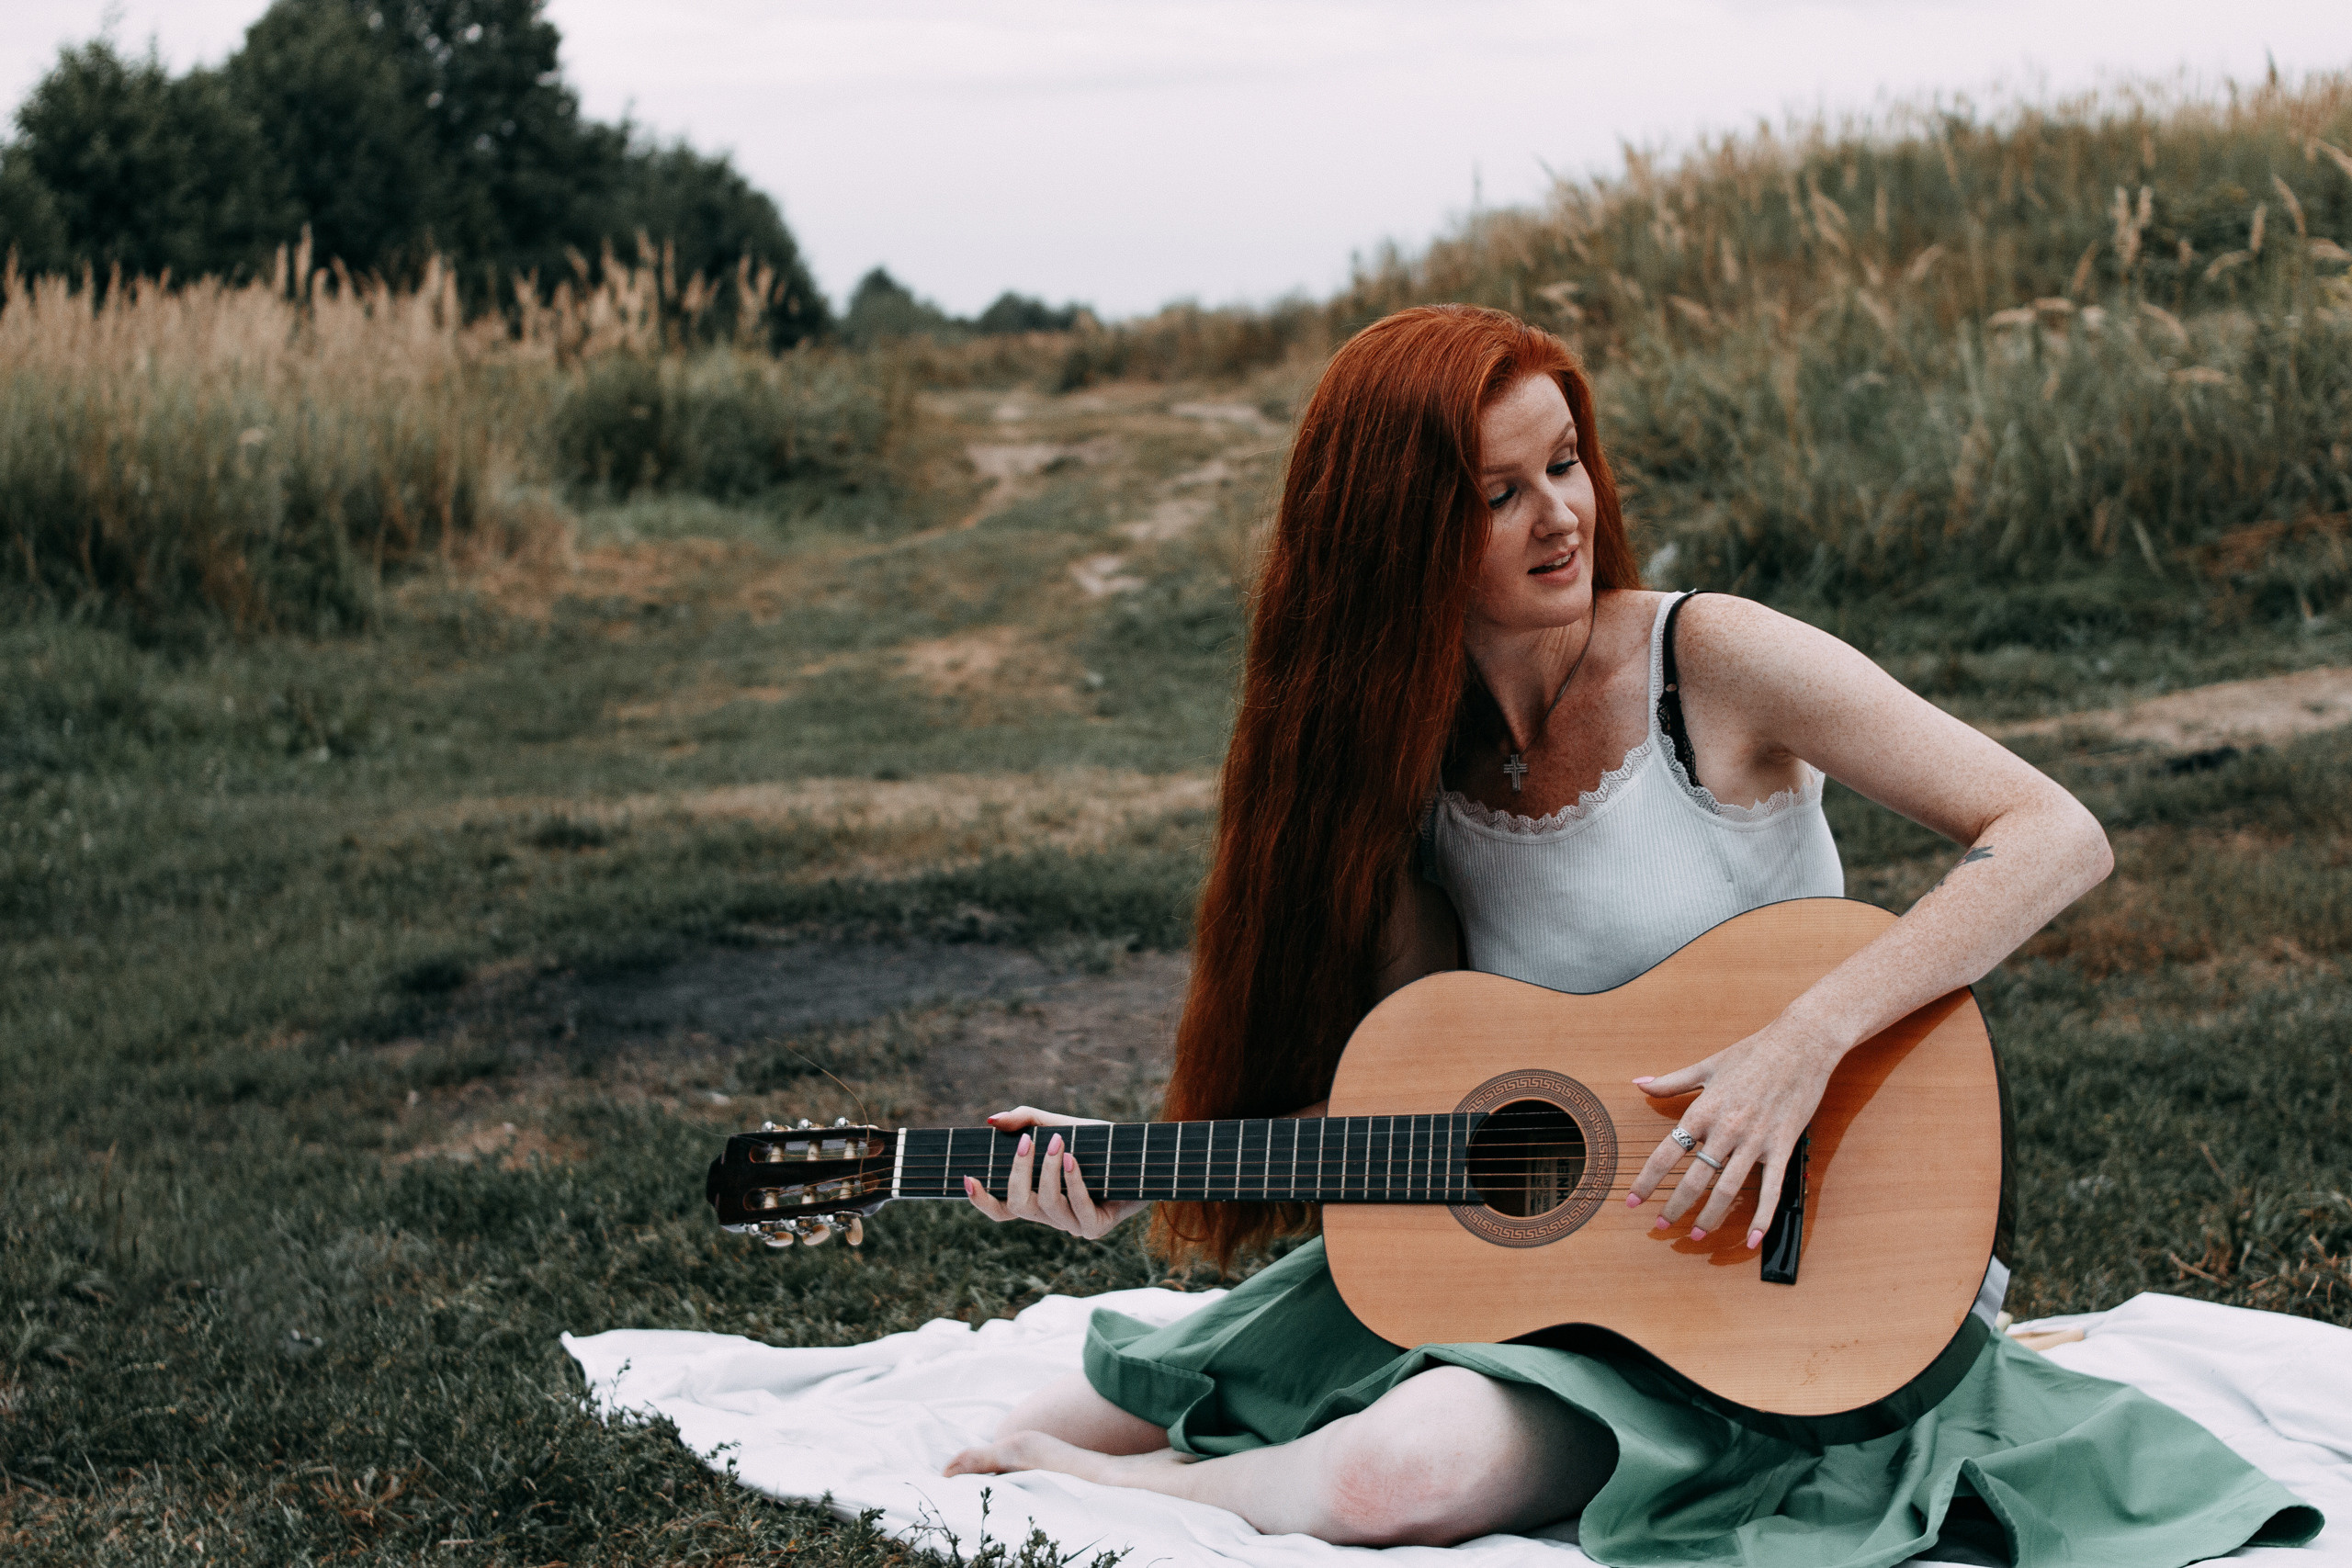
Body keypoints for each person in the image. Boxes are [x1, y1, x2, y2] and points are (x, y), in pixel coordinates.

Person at [939, 306, 2321, 1566]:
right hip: (1581, 1273)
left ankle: (1145, 1503)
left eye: (1566, 463)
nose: (1561, 516)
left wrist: (1803, 1039)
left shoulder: (1708, 664)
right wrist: (1135, 1168)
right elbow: (1427, 1113)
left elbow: (2053, 833)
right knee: (1087, 1390)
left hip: (1793, 1265)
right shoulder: (1413, 785)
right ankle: (1173, 1446)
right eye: (1499, 493)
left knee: (1386, 1477)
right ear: (1397, 537)